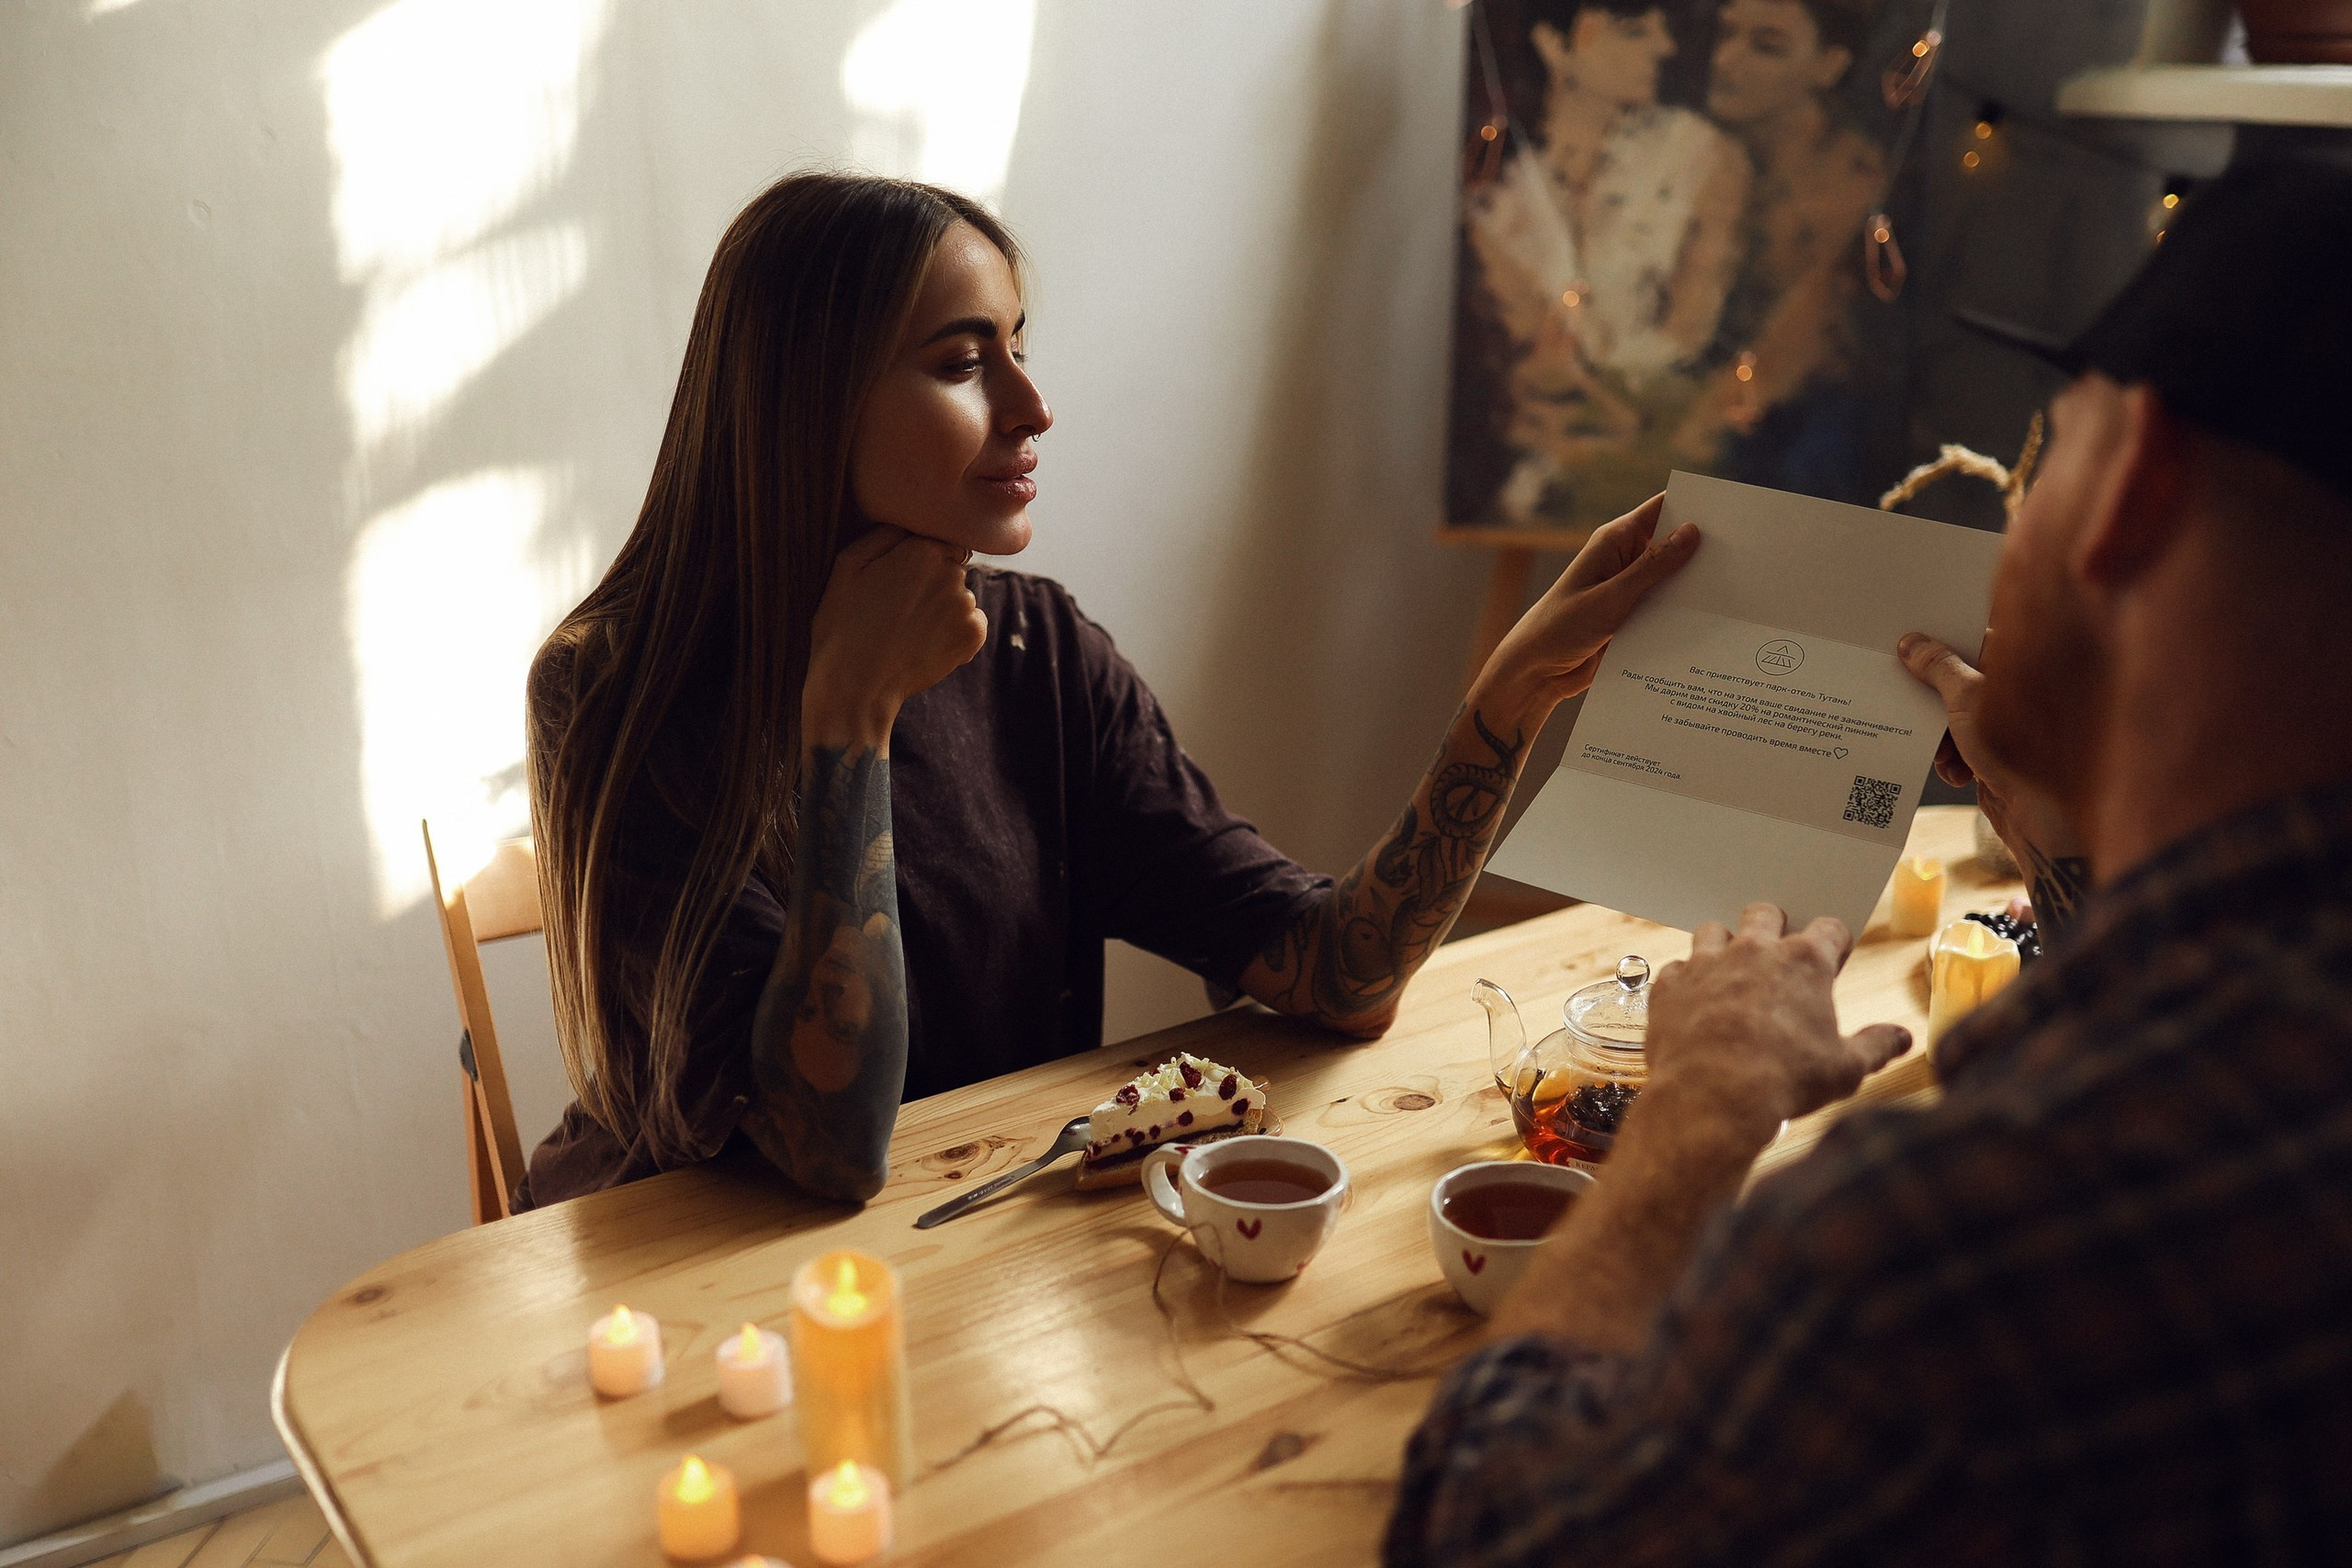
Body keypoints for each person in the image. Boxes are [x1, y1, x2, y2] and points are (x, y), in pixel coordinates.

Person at [1385, 158, 2352, 1564]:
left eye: (2048, 452)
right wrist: (2069, 838)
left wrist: (1699, 1112)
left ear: (2131, 484)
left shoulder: (1945, 1253)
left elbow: (1486, 1529)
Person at [515, 174, 1699, 1209]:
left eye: (1021, 348)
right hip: (685, 1307)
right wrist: (850, 722)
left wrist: (1506, 704)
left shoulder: (1037, 654)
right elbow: (825, 1153)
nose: (1032, 409)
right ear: (803, 403)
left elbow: (1339, 977)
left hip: (966, 1251)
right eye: (962, 364)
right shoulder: (616, 693)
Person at [1464, 0, 1749, 522]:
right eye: (1633, 30)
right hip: (1525, 457)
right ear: (1555, 46)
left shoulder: (1701, 157)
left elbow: (1689, 329)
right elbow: (1513, 354)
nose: (1664, 47)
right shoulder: (1496, 187)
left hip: (1659, 454)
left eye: (1662, 28)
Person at [1673, 0, 1884, 494]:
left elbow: (1796, 338)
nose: (1725, 61)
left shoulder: (1852, 188)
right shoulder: (1691, 155)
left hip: (1790, 437)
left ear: (1829, 65)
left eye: (1766, 47)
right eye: (1725, 35)